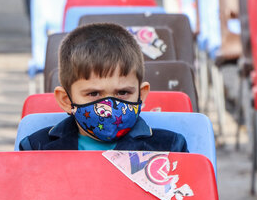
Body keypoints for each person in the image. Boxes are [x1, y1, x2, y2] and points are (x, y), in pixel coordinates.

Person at [19, 23, 189, 152]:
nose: (109, 106)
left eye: (123, 92)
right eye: (94, 93)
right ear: (66, 100)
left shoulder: (169, 148)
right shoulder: (37, 148)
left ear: (141, 94)